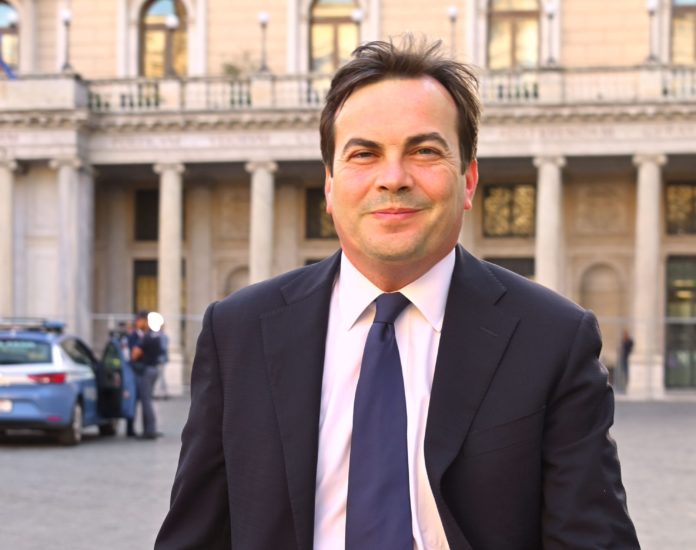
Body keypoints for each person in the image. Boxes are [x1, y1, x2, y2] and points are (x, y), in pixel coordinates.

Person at [156, 37, 639, 549]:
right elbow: (196, 536)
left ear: (468, 179)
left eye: (424, 151)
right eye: (364, 154)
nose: (393, 179)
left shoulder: (552, 338)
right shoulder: (238, 333)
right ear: (329, 184)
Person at [129, 310, 162, 440]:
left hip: (146, 370)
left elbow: (135, 354)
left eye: (139, 320)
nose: (137, 323)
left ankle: (149, 430)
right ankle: (148, 429)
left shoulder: (146, 337)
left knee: (146, 401)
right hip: (154, 369)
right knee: (148, 400)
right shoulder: (156, 335)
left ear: (146, 321)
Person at [153, 323, 170, 400]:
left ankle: (160, 393)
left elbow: (163, 348)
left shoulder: (161, 336)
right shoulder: (162, 336)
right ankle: (164, 392)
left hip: (160, 359)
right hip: (160, 359)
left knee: (160, 377)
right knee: (161, 377)